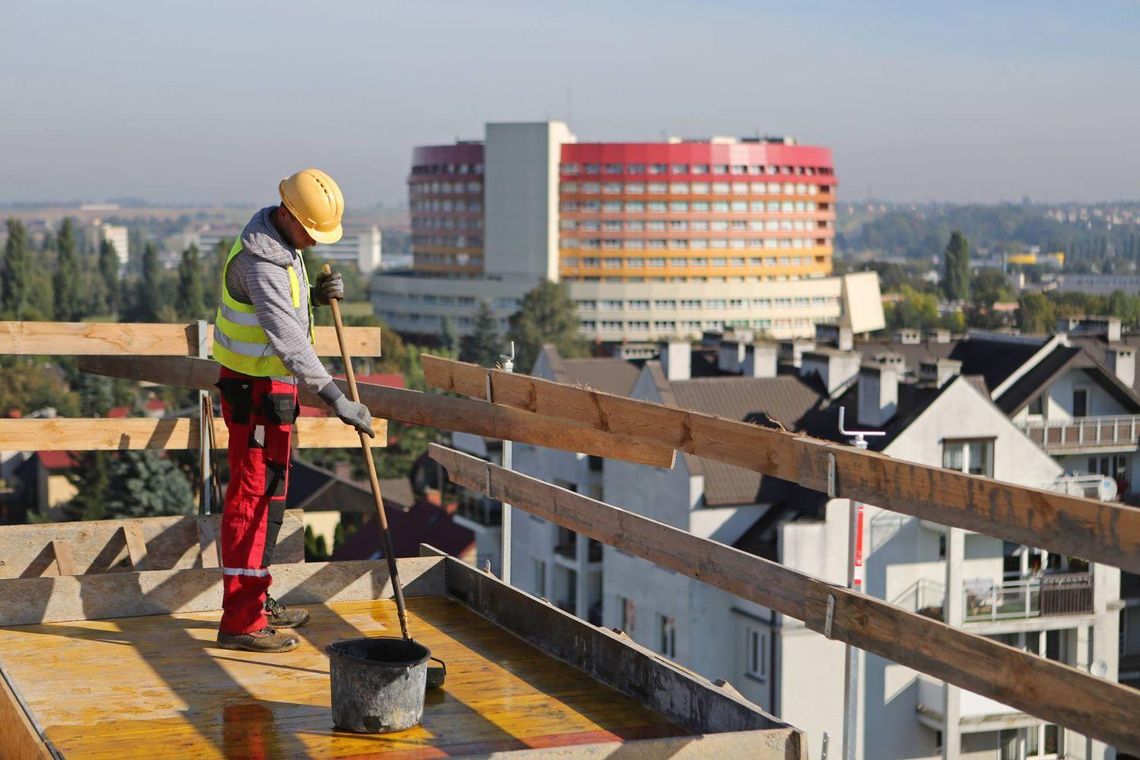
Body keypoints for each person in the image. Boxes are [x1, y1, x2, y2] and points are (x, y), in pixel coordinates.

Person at [212, 168, 374, 653]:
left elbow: (286, 316)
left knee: (271, 497)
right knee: (249, 499)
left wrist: (318, 304)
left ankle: (257, 601)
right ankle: (241, 620)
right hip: (252, 392)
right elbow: (288, 343)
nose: (316, 242)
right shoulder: (261, 262)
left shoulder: (285, 247)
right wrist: (337, 399)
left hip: (271, 391)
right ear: (286, 213)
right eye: (311, 231)